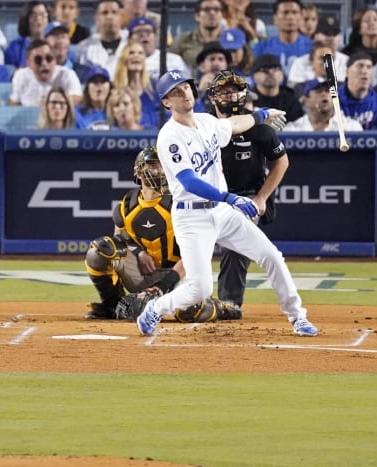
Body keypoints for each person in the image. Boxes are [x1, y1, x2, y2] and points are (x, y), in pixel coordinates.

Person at [134, 69, 318, 338]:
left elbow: (234, 125)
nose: (184, 92)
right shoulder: (169, 135)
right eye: (175, 91)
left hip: (221, 212)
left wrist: (263, 114)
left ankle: (297, 316)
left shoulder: (206, 122)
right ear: (166, 102)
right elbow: (189, 182)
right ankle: (156, 308)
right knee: (200, 289)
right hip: (192, 217)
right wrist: (229, 197)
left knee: (272, 257)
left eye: (185, 87)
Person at [85, 146, 241, 321]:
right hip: (143, 275)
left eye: (162, 166)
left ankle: (217, 307)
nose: (159, 170)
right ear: (138, 173)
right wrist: (139, 252)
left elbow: (198, 254)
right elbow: (121, 241)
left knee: (190, 312)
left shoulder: (183, 201)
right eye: (153, 165)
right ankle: (111, 306)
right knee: (100, 250)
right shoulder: (127, 205)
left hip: (178, 276)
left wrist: (164, 284)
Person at [205, 70, 288, 314]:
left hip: (245, 196)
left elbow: (281, 162)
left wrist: (261, 196)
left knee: (236, 245)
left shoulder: (260, 129)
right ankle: (166, 297)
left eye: (236, 90)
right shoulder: (204, 124)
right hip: (210, 197)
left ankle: (229, 303)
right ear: (212, 97)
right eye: (224, 91)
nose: (231, 95)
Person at [8, 38, 82, 106]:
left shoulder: (67, 74)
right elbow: (14, 103)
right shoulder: (20, 75)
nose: (44, 63)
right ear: (29, 63)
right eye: (38, 60)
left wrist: (52, 101)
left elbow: (78, 98)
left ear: (55, 60)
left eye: (49, 58)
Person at [287, 17, 349, 92]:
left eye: (335, 34)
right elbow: (294, 92)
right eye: (327, 34)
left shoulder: (347, 62)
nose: (331, 38)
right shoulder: (300, 63)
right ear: (316, 36)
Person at [252, 0, 313, 74]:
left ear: (301, 17)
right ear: (275, 18)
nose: (290, 17)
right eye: (285, 12)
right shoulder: (261, 48)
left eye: (294, 12)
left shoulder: (313, 48)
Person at [169, 0, 226, 76]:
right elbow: (170, 65)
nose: (212, 13)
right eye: (206, 9)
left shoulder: (230, 41)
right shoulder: (182, 40)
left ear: (222, 15)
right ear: (197, 16)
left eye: (216, 9)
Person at [338, 51, 377, 130]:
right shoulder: (333, 101)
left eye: (369, 67)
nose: (365, 71)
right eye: (360, 66)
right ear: (347, 72)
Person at [74, 0, 128, 79]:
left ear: (121, 17)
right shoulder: (84, 48)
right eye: (105, 13)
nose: (110, 17)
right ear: (96, 18)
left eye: (114, 12)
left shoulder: (131, 43)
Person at [284, 79, 364, 131]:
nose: (324, 94)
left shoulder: (351, 127)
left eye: (328, 91)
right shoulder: (293, 129)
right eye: (319, 91)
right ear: (306, 101)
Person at [112, 41, 160, 127]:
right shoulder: (114, 89)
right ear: (124, 58)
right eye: (131, 53)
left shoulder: (155, 88)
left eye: (140, 53)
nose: (136, 56)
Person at [128, 16, 189, 82]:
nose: (144, 35)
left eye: (148, 32)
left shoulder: (174, 60)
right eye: (138, 32)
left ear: (156, 37)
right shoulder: (124, 60)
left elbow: (187, 85)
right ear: (129, 39)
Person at [249, 54, 304, 123]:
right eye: (264, 70)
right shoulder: (248, 99)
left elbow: (299, 125)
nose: (270, 73)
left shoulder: (290, 99)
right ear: (254, 76)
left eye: (275, 69)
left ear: (282, 75)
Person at [4, 1, 50, 68]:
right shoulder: (15, 47)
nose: (38, 19)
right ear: (26, 19)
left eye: (43, 15)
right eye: (34, 15)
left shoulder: (56, 44)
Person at [74, 65, 112, 130]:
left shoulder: (117, 111)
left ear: (110, 87)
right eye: (95, 81)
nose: (99, 85)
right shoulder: (76, 114)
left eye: (102, 81)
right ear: (87, 88)